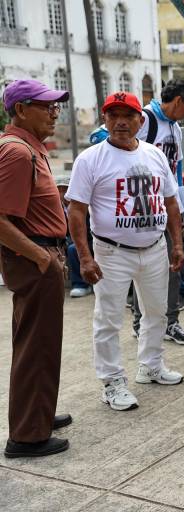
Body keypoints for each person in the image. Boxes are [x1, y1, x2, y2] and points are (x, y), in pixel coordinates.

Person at [66, 91, 184, 412]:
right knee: (108, 319)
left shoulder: (154, 155)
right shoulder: (90, 159)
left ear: (140, 120)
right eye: (113, 115)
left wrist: (176, 244)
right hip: (112, 252)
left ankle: (151, 365)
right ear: (104, 119)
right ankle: (112, 382)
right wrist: (85, 257)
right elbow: (76, 211)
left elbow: (171, 203)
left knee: (157, 312)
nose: (120, 122)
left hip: (155, 248)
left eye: (128, 115)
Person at [0, 79, 72, 458]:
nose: (54, 113)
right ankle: (27, 436)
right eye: (46, 106)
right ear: (21, 110)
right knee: (36, 347)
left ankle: (36, 413)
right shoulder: (17, 151)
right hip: (35, 260)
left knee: (37, 344)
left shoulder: (29, 147)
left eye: (56, 106)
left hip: (41, 257)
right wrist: (42, 258)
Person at [130, 78, 184, 345]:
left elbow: (177, 167)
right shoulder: (145, 119)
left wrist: (181, 204)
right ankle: (140, 323)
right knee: (142, 268)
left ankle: (171, 322)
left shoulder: (175, 128)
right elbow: (104, 137)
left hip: (167, 207)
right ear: (178, 101)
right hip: (143, 209)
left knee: (173, 264)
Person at [55, 175, 94, 298]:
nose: (62, 193)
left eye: (65, 189)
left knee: (73, 248)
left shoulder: (82, 206)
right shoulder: (56, 208)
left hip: (88, 240)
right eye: (59, 190)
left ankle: (81, 284)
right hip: (67, 240)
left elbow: (87, 230)